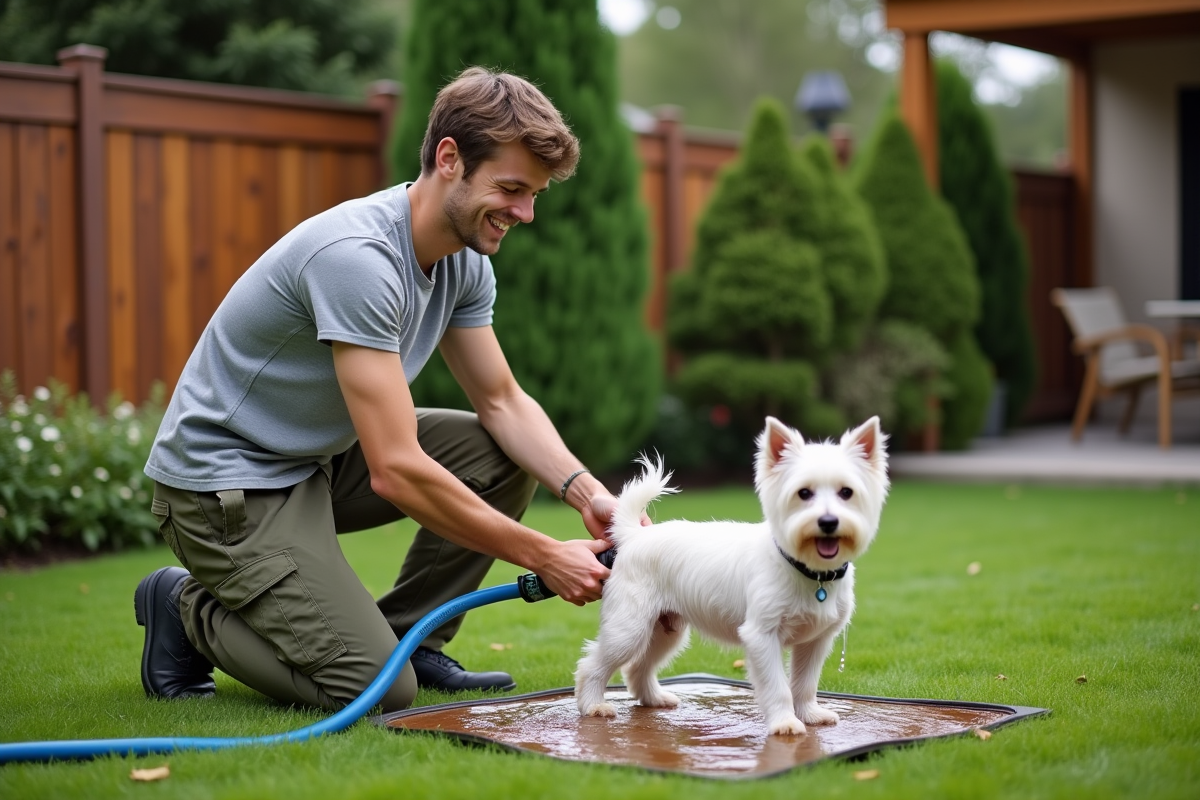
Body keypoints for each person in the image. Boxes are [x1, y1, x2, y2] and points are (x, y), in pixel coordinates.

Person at [133, 67, 620, 713]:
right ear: (450, 158)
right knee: (377, 693)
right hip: (226, 486)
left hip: (316, 460)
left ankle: (411, 640)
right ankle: (183, 604)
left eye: (534, 195)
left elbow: (501, 401)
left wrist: (589, 494)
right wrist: (542, 554)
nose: (525, 213)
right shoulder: (358, 258)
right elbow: (395, 469)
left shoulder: (464, 259)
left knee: (497, 456)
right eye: (510, 188)